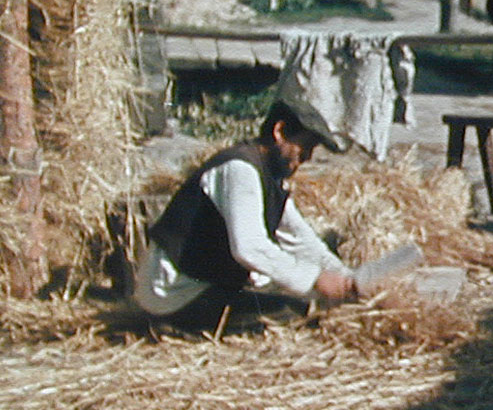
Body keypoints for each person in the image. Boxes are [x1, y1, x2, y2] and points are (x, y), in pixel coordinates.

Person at [135, 100, 356, 330]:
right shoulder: (240, 169)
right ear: (279, 132)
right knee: (295, 313)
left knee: (303, 304)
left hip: (204, 288)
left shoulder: (268, 178)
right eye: (305, 146)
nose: (307, 157)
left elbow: (300, 238)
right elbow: (249, 248)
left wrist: (348, 280)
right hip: (175, 296)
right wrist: (316, 279)